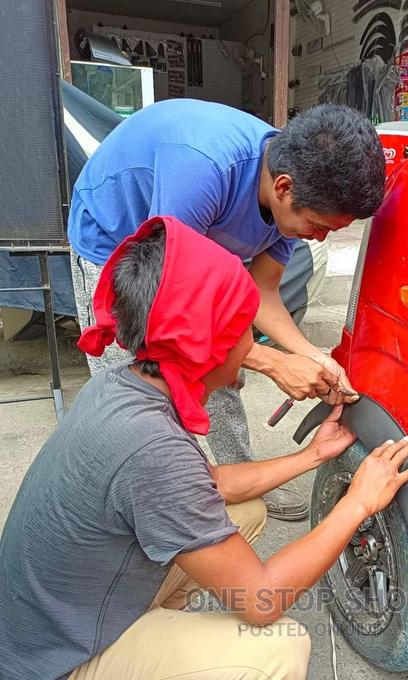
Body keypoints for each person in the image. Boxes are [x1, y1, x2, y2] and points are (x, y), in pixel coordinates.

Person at [0, 217, 408, 680]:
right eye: (240, 332)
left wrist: (310, 457)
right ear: (201, 345)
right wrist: (359, 501)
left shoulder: (130, 384)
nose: (251, 347)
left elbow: (210, 488)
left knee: (244, 514)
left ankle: (146, 676)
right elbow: (260, 602)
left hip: (50, 617)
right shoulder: (151, 447)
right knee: (279, 658)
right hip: (51, 672)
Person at [68, 100, 386, 520]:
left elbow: (263, 290)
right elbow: (171, 312)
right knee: (140, 386)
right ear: (284, 188)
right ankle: (143, 501)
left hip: (190, 247)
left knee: (222, 377)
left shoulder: (289, 199)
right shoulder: (202, 170)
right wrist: (273, 363)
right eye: (319, 226)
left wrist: (310, 356)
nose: (321, 239)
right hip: (118, 243)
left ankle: (242, 479)